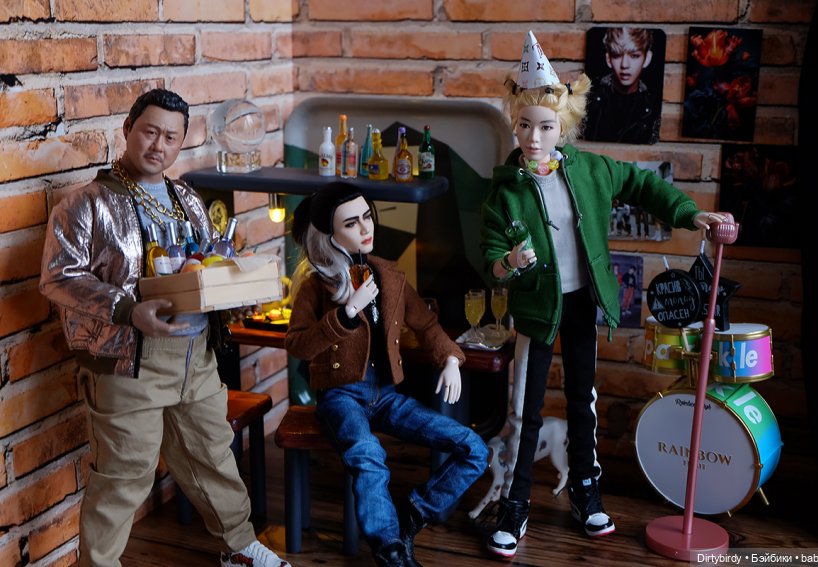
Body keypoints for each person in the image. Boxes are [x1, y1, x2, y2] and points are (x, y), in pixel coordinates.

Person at [479, 31, 727, 558]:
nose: (534, 137)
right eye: (524, 125)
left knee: (583, 402)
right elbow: (491, 260)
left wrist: (689, 214)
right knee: (523, 408)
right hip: (536, 310)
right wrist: (510, 262)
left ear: (564, 127)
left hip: (582, 303)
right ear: (514, 123)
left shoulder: (591, 170)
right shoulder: (504, 192)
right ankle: (515, 504)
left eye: (546, 126)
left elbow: (644, 187)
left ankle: (586, 493)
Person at [39, 89, 290, 567]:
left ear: (181, 142)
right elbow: (58, 278)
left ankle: (239, 548)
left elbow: (209, 262)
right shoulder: (84, 204)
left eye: (171, 137)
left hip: (198, 357)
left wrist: (233, 295)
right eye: (149, 132)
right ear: (128, 129)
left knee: (212, 457)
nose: (158, 145)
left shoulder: (188, 199)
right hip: (127, 362)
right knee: (124, 475)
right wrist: (127, 309)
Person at [285, 182, 488, 567]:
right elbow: (297, 345)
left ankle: (413, 513)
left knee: (473, 448)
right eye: (351, 223)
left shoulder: (389, 276)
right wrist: (346, 312)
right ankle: (390, 550)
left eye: (367, 217)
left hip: (386, 394)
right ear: (331, 235)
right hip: (341, 395)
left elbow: (425, 324)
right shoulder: (317, 286)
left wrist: (450, 358)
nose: (366, 228)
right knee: (368, 454)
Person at [583, 27, 662, 144]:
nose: (625, 65)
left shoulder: (652, 105)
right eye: (617, 55)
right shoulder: (591, 97)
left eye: (634, 56)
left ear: (647, 58)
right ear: (608, 59)